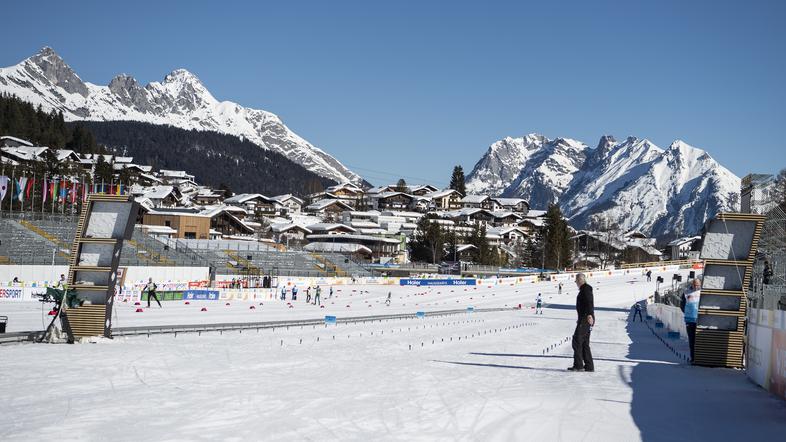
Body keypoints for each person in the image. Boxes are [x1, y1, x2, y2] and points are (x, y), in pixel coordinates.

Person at [569, 273, 594, 372]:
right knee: (584, 343)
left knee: (577, 341)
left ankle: (578, 365)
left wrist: (588, 315)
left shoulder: (586, 289)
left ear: (580, 280)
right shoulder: (585, 289)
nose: (576, 283)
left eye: (576, 281)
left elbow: (589, 302)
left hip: (586, 318)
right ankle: (589, 366)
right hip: (584, 318)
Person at [684, 278, 701, 362]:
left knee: (699, 340)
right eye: (695, 285)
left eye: (697, 285)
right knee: (691, 340)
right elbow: (682, 304)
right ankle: (693, 358)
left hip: (700, 320)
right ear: (692, 284)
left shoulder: (702, 292)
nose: (696, 286)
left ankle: (699, 357)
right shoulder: (686, 292)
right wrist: (687, 312)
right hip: (689, 320)